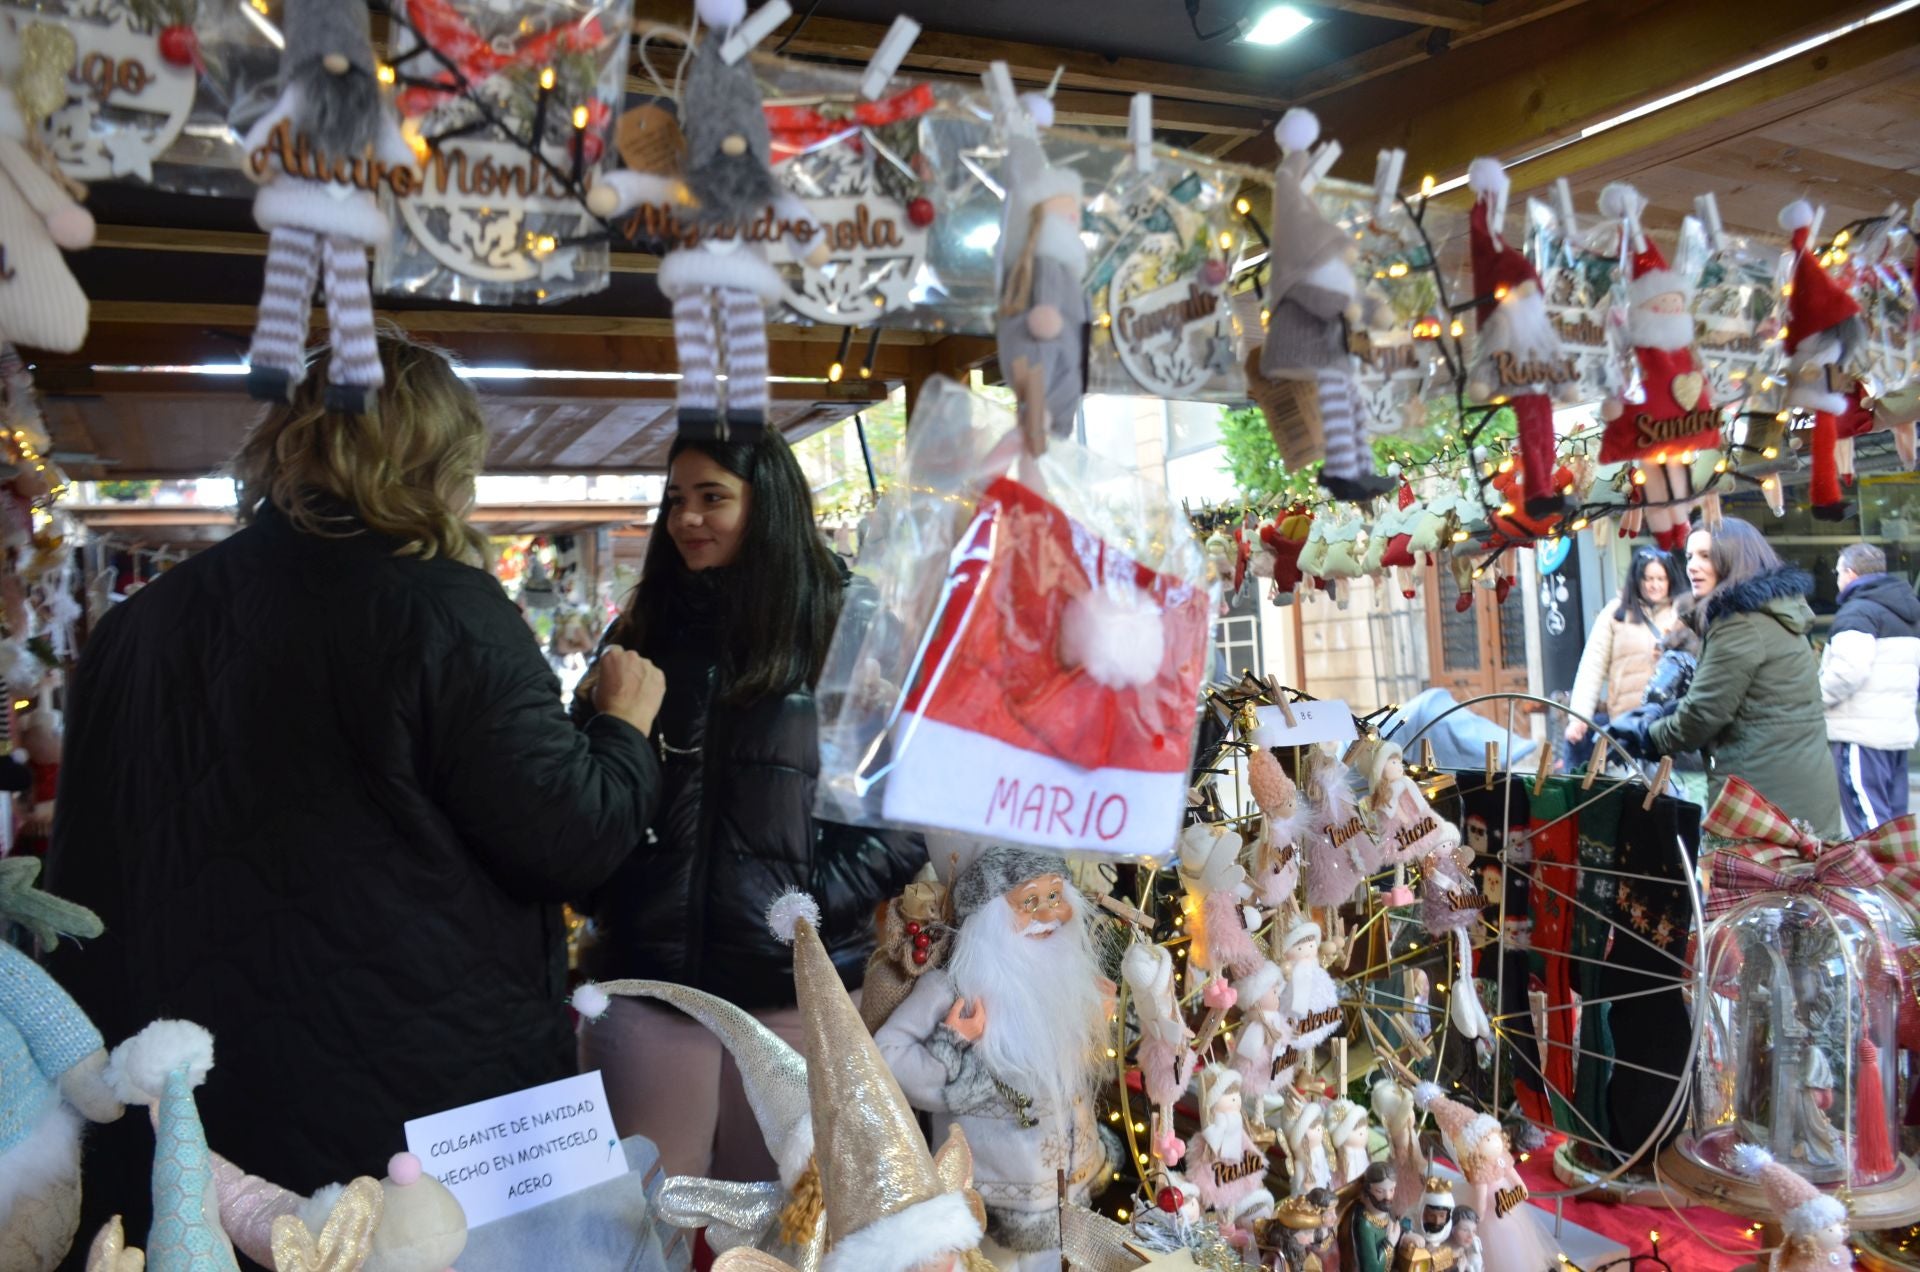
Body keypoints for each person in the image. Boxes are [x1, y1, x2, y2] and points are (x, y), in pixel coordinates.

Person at [46, 337, 665, 1251]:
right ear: (438, 461)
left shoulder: (139, 626)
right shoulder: (445, 610)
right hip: (415, 1104)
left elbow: (81, 877)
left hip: (186, 1094)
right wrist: (622, 727)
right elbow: (568, 836)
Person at [571, 431, 924, 1183]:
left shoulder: (848, 624)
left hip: (792, 994)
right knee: (639, 1227)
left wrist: (802, 907)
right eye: (675, 501)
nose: (686, 520)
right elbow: (586, 776)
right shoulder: (641, 627)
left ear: (766, 505)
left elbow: (898, 814)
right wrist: (615, 889)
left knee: (782, 1229)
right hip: (650, 986)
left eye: (712, 498)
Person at [874, 847, 1114, 1271]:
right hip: (987, 1203)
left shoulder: (1066, 980)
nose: (1046, 915)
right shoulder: (951, 989)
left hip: (1069, 1192)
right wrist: (952, 1044)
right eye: (1029, 902)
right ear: (988, 920)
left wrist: (1095, 1022)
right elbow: (886, 1059)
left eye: (1055, 897)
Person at [1608, 519, 1843, 837]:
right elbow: (1745, 699)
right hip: (1797, 785)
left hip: (1762, 792)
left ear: (1735, 558)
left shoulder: (1738, 624)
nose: (1692, 566)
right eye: (1690, 556)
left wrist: (1649, 736)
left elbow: (1703, 714)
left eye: (1706, 556)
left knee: (1755, 886)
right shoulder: (1771, 612)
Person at [1820, 543, 1920, 835]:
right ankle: (1901, 879)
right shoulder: (1910, 612)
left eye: (1837, 572)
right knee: (1894, 825)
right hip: (1898, 732)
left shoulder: (1857, 611)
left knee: (1870, 827)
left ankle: (1881, 882)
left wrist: (1814, 699)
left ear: (1849, 574)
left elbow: (1847, 672)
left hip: (1859, 734)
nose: (1837, 579)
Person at [1565, 547, 1683, 745]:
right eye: (1648, 578)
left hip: (1671, 722)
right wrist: (1578, 718)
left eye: (1661, 579)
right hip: (1626, 724)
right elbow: (1592, 666)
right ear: (1637, 579)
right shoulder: (1615, 612)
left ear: (1670, 579)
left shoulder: (1681, 614)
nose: (1655, 585)